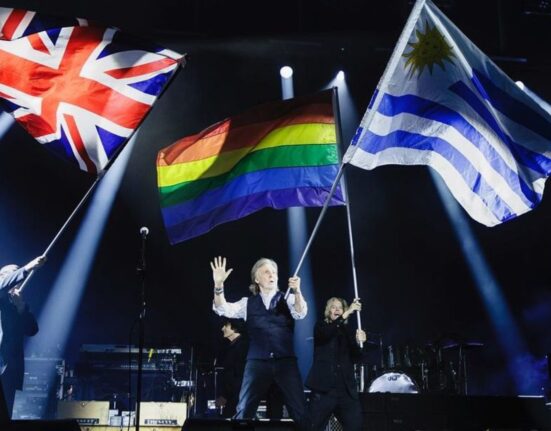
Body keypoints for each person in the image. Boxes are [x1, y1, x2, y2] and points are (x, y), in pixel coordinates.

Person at [211, 256, 308, 430]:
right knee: (244, 410)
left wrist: (298, 292)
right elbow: (222, 308)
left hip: (285, 362)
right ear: (257, 279)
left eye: (274, 272)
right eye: (266, 272)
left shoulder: (288, 298)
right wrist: (218, 286)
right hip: (257, 362)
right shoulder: (247, 303)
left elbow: (301, 313)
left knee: (300, 410)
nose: (272, 275)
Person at [306, 297, 366, 431]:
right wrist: (348, 311)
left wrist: (359, 342)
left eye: (340, 307)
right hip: (324, 390)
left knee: (355, 426)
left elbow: (358, 357)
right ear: (328, 311)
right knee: (312, 427)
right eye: (334, 307)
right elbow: (327, 333)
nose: (337, 309)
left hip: (345, 391)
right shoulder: (320, 327)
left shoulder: (348, 332)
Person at [0, 255, 46, 418]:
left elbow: (32, 330)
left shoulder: (17, 304)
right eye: (13, 274)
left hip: (10, 368)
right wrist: (27, 268)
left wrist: (21, 307)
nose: (17, 281)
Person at [216, 318, 248, 418]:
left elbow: (237, 374)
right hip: (233, 396)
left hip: (237, 396)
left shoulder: (242, 347)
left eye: (226, 326)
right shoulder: (232, 346)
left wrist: (225, 395)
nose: (222, 328)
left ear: (234, 328)